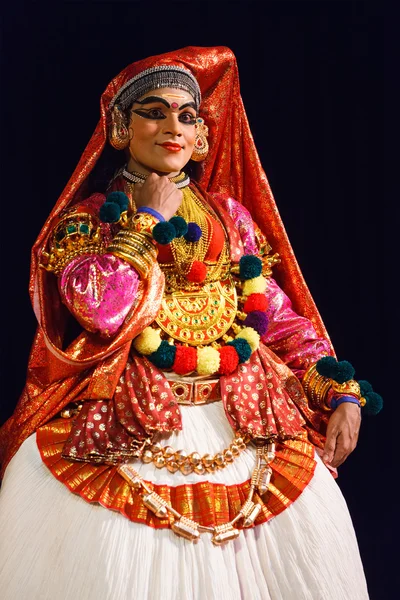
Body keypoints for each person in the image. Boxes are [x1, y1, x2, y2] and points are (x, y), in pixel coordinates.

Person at [0, 46, 381, 600]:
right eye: (153, 112)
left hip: (246, 417)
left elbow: (273, 316)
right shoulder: (88, 220)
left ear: (203, 137)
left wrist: (341, 389)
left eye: (187, 115)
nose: (172, 127)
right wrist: (146, 221)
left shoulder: (229, 218)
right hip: (126, 422)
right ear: (119, 129)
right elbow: (102, 312)